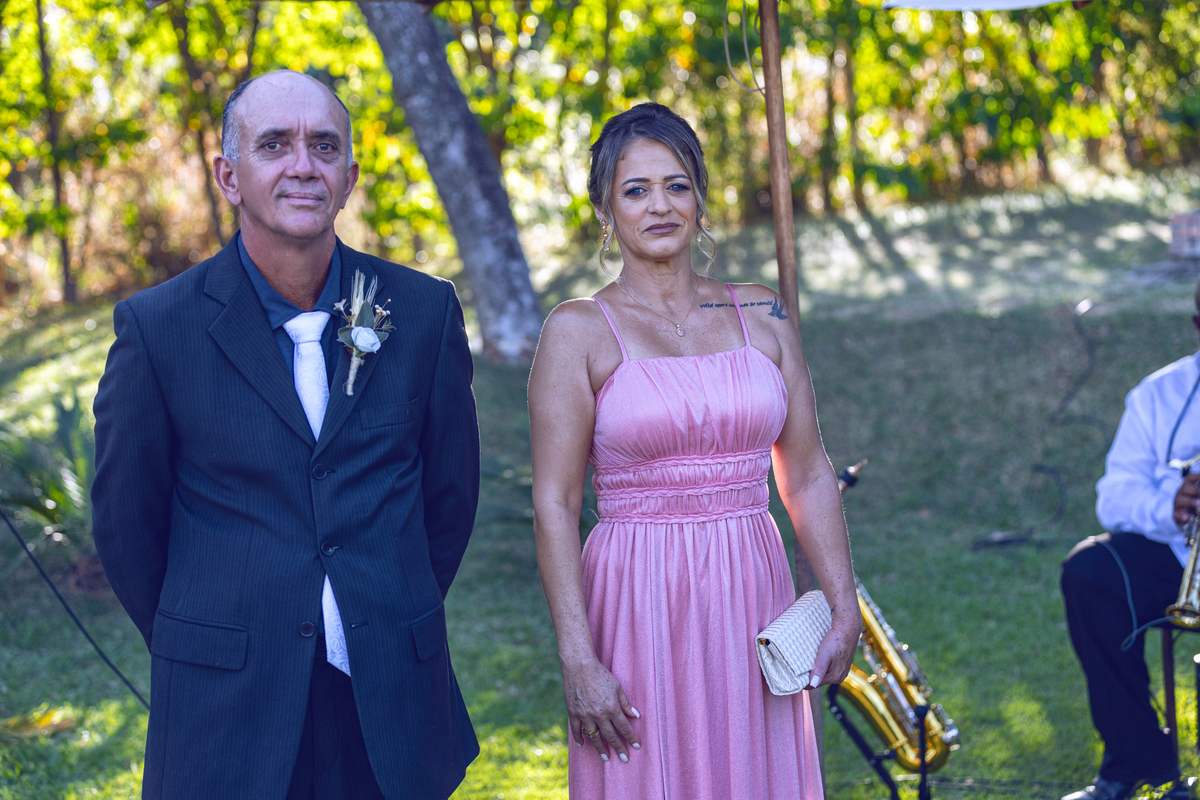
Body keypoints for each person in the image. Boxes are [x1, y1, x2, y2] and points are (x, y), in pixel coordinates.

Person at [91, 70, 480, 800]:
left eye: (324, 147)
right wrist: (212, 637)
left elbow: (449, 498)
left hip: (388, 699)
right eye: (274, 145)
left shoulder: (422, 312)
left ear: (349, 178)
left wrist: (386, 606)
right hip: (228, 705)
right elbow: (125, 525)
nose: (303, 165)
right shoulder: (157, 329)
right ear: (228, 176)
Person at [527, 102, 860, 799]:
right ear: (605, 209)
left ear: (700, 198)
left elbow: (806, 473)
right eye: (636, 190)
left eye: (676, 185)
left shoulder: (762, 312)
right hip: (638, 594)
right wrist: (577, 657)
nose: (660, 206)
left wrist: (842, 603)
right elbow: (555, 503)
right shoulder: (577, 330)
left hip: (751, 586)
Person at [1060, 279, 1200, 800]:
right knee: (1091, 570)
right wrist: (1171, 506)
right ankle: (1138, 761)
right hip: (1180, 557)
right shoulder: (1159, 395)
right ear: (1198, 326)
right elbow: (1114, 496)